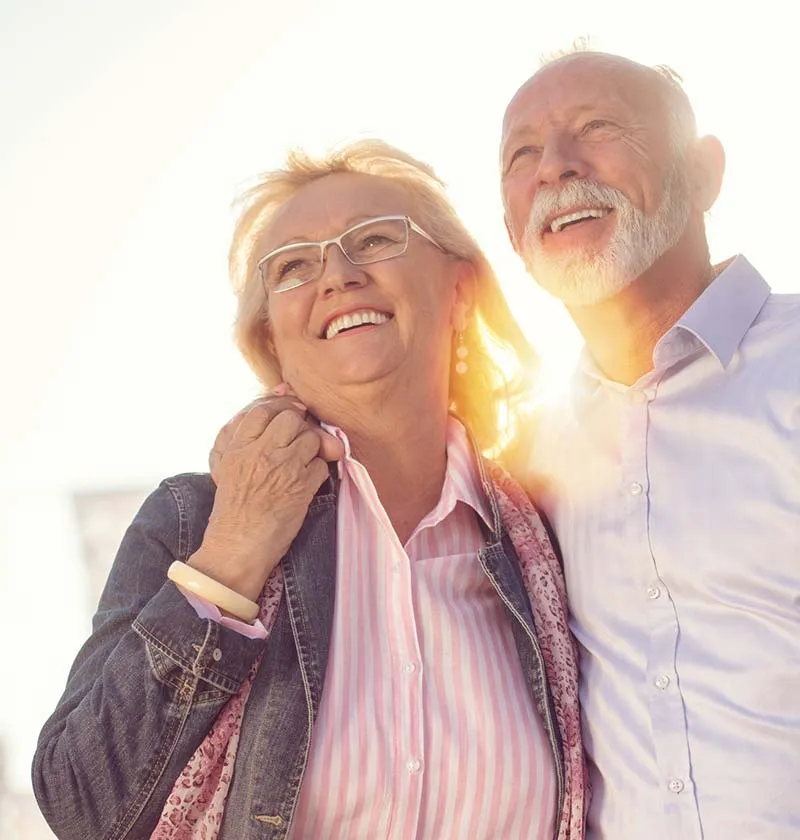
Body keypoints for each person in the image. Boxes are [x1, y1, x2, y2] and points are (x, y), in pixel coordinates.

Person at [32, 140, 588, 840]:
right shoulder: (192, 520)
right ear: (271, 338)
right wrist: (235, 548)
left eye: (376, 239)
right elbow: (85, 808)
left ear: (459, 290)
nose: (338, 273)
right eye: (294, 265)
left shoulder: (544, 536)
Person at [500, 51, 800, 839]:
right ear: (511, 234)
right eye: (522, 155)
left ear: (702, 174)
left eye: (596, 128)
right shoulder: (528, 461)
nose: (556, 168)